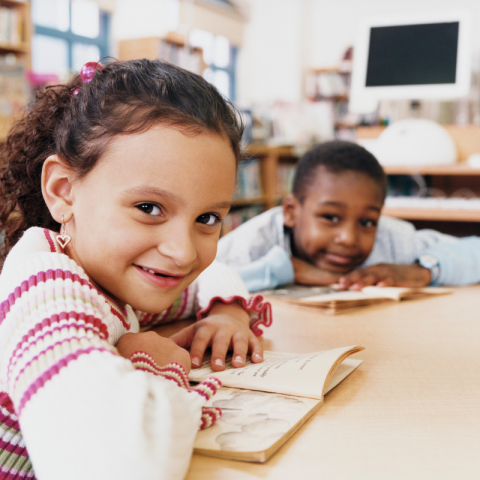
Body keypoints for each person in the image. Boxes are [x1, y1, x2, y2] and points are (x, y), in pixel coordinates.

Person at [0, 60, 271, 480]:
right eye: (148, 208)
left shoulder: (112, 278)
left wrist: (226, 312)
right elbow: (118, 464)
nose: (181, 254)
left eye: (208, 219)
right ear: (63, 191)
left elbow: (204, 284)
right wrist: (152, 364)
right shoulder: (44, 285)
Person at [217, 140, 480, 292]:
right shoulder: (252, 244)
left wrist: (425, 270)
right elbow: (191, 288)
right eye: (330, 217)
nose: (348, 238)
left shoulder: (391, 239)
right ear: (291, 212)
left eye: (367, 222)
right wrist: (283, 270)